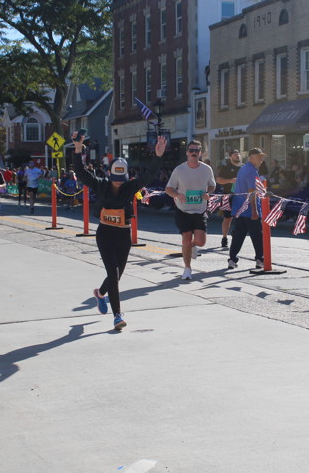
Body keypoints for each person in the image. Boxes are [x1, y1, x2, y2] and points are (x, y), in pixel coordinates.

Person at [72, 131, 166, 330]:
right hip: (105, 234)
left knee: (117, 275)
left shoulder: (130, 187)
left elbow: (148, 176)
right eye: (115, 177)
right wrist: (78, 150)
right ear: (109, 174)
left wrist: (158, 156)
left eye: (121, 178)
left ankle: (100, 293)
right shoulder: (101, 185)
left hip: (123, 235)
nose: (118, 181)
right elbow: (81, 174)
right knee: (113, 274)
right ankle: (117, 316)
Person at [164, 140, 216, 280]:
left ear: (200, 153)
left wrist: (208, 193)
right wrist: (177, 195)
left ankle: (193, 245)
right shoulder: (179, 170)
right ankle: (187, 269)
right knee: (186, 239)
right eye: (191, 150)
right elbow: (168, 189)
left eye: (196, 151)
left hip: (199, 211)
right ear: (187, 153)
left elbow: (212, 185)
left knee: (201, 242)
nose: (194, 153)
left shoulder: (207, 169)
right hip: (183, 211)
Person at [227, 148, 267, 270]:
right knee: (257, 235)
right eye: (259, 157)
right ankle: (260, 259)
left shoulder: (243, 169)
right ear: (252, 157)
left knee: (238, 236)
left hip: (239, 208)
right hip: (249, 209)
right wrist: (254, 210)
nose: (261, 160)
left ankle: (232, 259)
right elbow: (251, 191)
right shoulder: (252, 171)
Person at [215, 149, 242, 249]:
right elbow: (218, 180)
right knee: (227, 218)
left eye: (238, 154)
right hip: (228, 195)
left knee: (240, 217)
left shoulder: (243, 167)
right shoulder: (226, 168)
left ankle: (236, 234)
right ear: (230, 157)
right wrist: (230, 181)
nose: (237, 156)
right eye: (235, 155)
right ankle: (224, 238)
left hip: (241, 196)